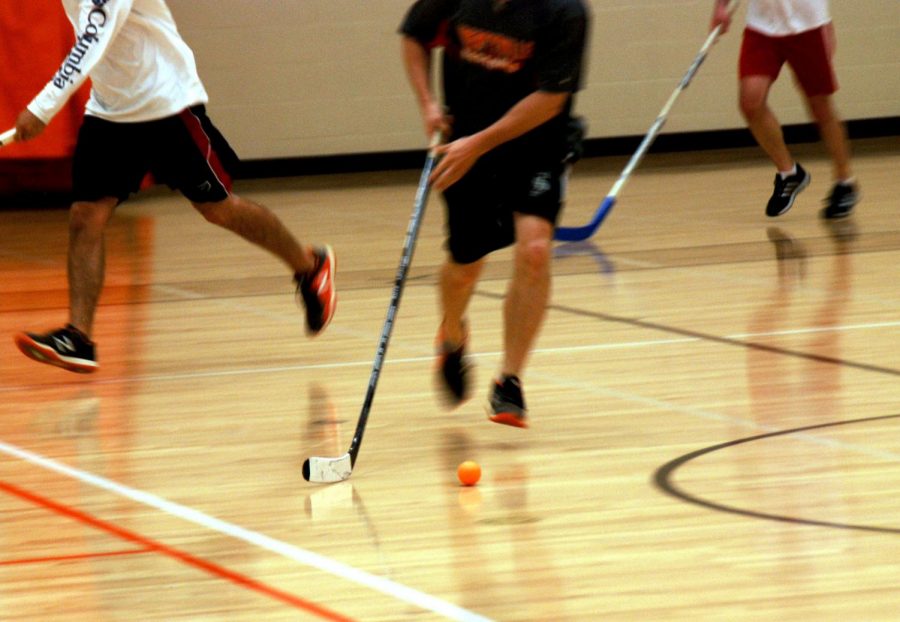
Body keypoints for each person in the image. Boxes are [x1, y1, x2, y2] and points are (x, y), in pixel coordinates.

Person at [11, 0, 336, 374]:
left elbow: (94, 35)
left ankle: (310, 266)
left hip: (165, 103)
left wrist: (42, 106)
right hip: (111, 109)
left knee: (218, 208)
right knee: (86, 216)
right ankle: (78, 337)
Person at [400, 0, 590, 428]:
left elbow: (552, 98)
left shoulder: (564, 11)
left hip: (536, 143)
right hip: (465, 144)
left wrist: (478, 143)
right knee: (466, 265)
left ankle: (510, 380)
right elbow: (414, 36)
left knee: (536, 249)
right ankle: (452, 334)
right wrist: (428, 104)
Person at [711, 0, 859, 220]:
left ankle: (845, 182)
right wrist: (720, 7)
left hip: (808, 27)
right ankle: (789, 173)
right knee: (750, 103)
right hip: (762, 27)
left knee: (820, 108)